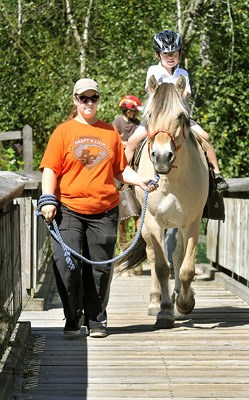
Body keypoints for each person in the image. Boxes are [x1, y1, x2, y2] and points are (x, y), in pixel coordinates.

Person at [39, 78, 158, 338]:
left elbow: (120, 169)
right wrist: (48, 198)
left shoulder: (109, 132)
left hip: (104, 211)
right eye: (84, 98)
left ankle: (96, 318)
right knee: (65, 265)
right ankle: (73, 315)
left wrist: (140, 179)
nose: (89, 103)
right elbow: (50, 169)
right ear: (75, 100)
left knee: (101, 268)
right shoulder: (63, 132)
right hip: (68, 208)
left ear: (98, 101)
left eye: (93, 98)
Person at [125, 30, 229, 192]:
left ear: (179, 53)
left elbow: (184, 95)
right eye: (166, 54)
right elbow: (152, 91)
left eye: (174, 53)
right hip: (157, 118)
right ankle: (122, 173)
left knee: (205, 137)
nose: (170, 57)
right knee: (131, 142)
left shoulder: (183, 74)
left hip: (177, 117)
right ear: (158, 55)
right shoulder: (153, 71)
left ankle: (216, 173)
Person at [112, 95, 142, 248]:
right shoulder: (118, 121)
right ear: (126, 110)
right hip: (122, 156)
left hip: (136, 158)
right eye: (132, 111)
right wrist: (127, 143)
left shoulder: (138, 124)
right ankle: (118, 182)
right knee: (122, 221)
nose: (135, 114)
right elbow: (114, 140)